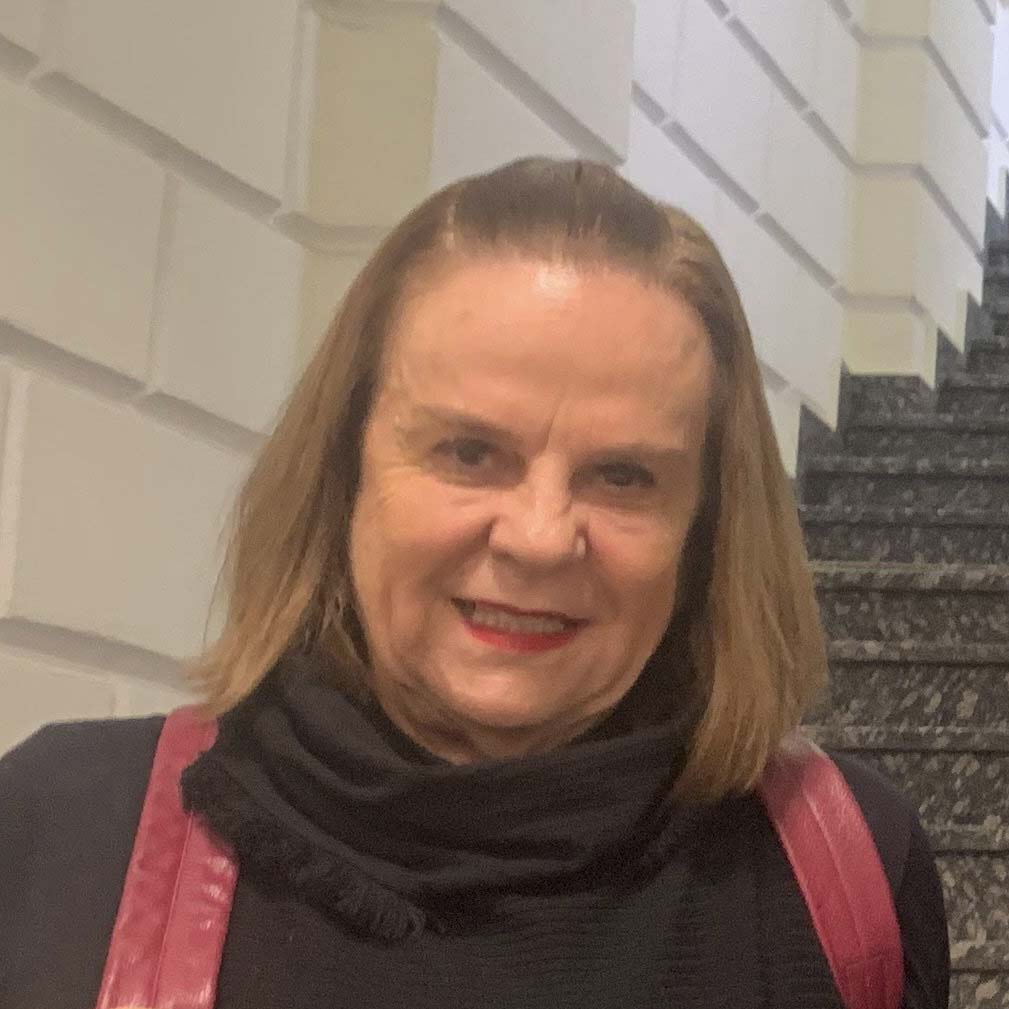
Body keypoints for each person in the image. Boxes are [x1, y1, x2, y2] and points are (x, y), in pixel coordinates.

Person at [0, 158, 948, 1008]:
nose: (539, 538)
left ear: (705, 527)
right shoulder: (59, 830)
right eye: (467, 451)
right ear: (343, 472)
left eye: (623, 475)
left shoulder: (848, 871)